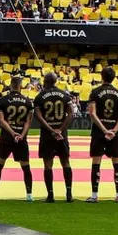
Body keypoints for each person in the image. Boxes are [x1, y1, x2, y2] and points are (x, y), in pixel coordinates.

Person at [0, 76, 34, 201]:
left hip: (6, 138)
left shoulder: (3, 100)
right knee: (25, 167)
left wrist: (12, 132)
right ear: (20, 86)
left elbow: (1, 119)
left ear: (11, 85)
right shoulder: (28, 101)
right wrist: (21, 135)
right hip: (21, 138)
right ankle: (29, 195)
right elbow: (28, 123)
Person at [84, 67, 118, 202]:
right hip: (114, 132)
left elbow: (92, 113)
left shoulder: (95, 92)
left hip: (98, 132)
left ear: (102, 76)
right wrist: (114, 130)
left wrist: (103, 130)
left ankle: (95, 195)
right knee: (116, 162)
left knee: (96, 161)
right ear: (113, 77)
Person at [32, 72, 74, 203]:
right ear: (55, 81)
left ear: (45, 81)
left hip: (47, 134)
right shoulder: (65, 95)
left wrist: (51, 129)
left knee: (48, 165)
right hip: (62, 134)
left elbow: (38, 116)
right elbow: (71, 113)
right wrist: (60, 129)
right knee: (65, 163)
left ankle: (50, 195)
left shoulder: (40, 97)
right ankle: (69, 194)